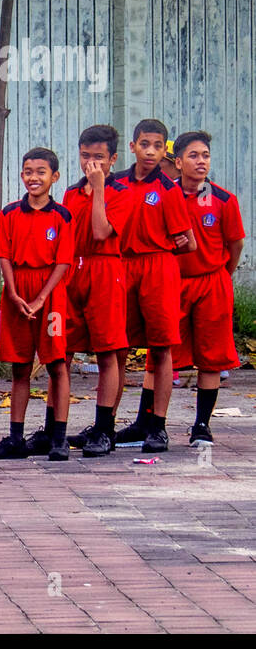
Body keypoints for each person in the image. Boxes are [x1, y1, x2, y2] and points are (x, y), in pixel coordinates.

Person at [108, 119, 196, 453]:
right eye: (144, 144)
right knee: (116, 347)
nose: (150, 151)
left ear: (165, 152)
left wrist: (160, 247)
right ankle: (106, 424)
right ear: (132, 147)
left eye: (157, 146)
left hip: (158, 267)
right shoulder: (115, 184)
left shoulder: (169, 190)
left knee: (161, 348)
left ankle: (157, 426)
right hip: (121, 266)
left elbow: (186, 242)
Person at [0, 148, 74, 460]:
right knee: (19, 366)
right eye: (28, 171)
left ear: (54, 177)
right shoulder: (10, 213)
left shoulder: (62, 216)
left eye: (40, 172)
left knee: (57, 364)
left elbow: (63, 263)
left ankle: (59, 438)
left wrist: (41, 298)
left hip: (51, 298)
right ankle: (15, 439)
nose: (33, 177)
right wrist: (12, 292)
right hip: (17, 295)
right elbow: (3, 256)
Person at [166, 131, 245, 447]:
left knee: (212, 357)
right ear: (179, 161)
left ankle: (201, 425)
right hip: (172, 284)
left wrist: (223, 273)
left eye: (206, 155)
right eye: (194, 155)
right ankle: (152, 423)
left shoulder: (223, 199)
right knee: (162, 354)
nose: (201, 161)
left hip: (212, 283)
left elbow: (236, 243)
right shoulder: (164, 196)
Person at [62, 125, 133, 457]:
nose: (91, 163)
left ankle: (105, 428)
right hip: (74, 271)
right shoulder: (70, 194)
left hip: (105, 268)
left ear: (113, 159)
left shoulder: (121, 192)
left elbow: (101, 230)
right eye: (85, 156)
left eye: (99, 158)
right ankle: (54, 426)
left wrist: (99, 188)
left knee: (108, 351)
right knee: (61, 350)